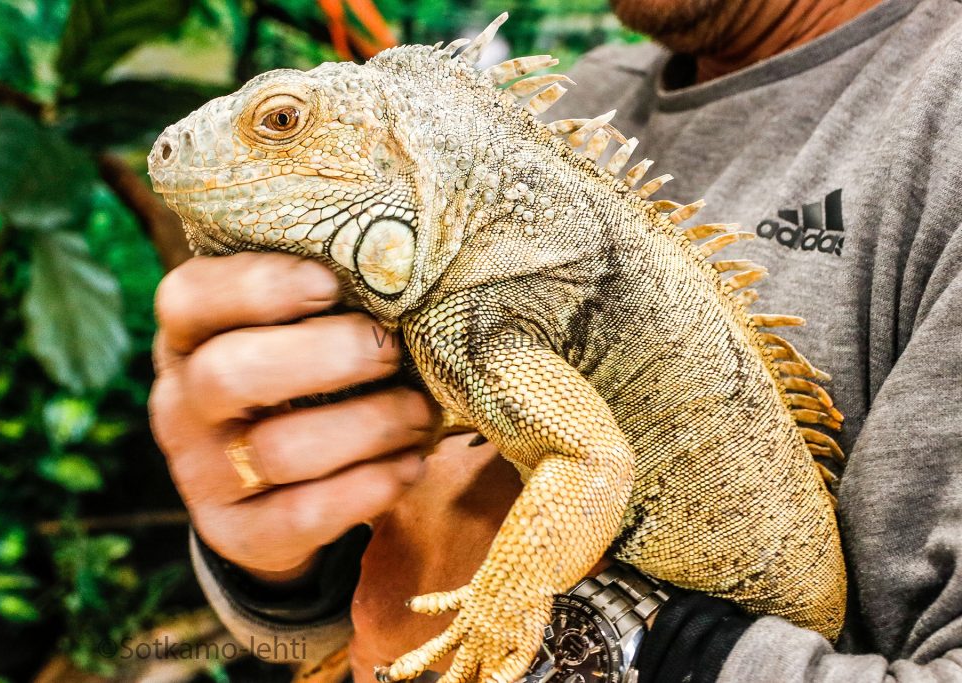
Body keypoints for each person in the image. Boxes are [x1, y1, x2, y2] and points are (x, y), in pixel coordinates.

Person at [148, 0, 962, 679]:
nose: (175, 148)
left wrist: (556, 635)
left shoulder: (482, 301)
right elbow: (363, 613)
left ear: (390, 154)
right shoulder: (580, 100)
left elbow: (589, 463)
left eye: (281, 123)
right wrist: (279, 546)